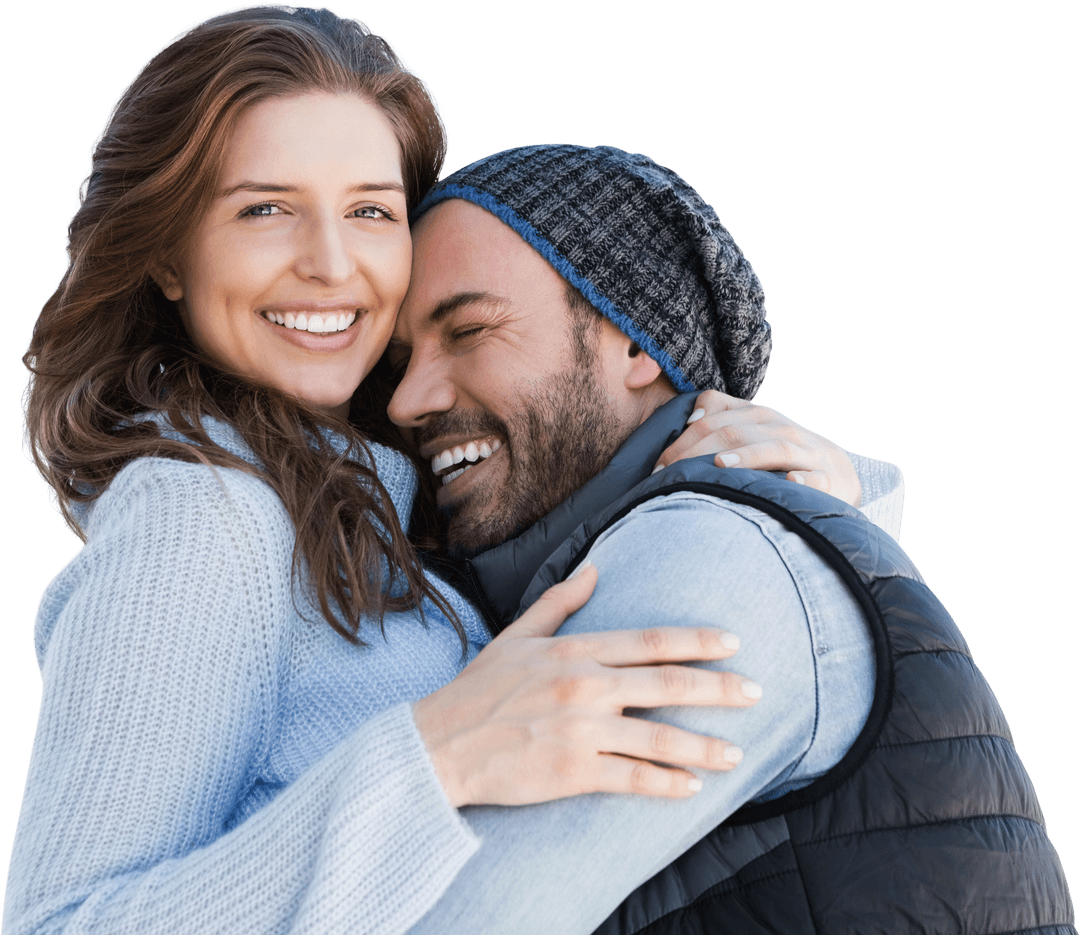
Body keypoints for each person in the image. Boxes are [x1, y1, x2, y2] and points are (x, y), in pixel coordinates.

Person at [6, 6, 907, 935]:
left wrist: (826, 500)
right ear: (168, 255)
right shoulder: (203, 512)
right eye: (265, 209)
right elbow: (61, 923)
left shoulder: (383, 489)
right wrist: (432, 760)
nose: (331, 265)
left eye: (370, 211)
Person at [388, 144, 1076, 933]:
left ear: (636, 340)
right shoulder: (701, 545)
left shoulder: (706, 557)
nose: (408, 399)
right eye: (401, 361)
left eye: (469, 329)